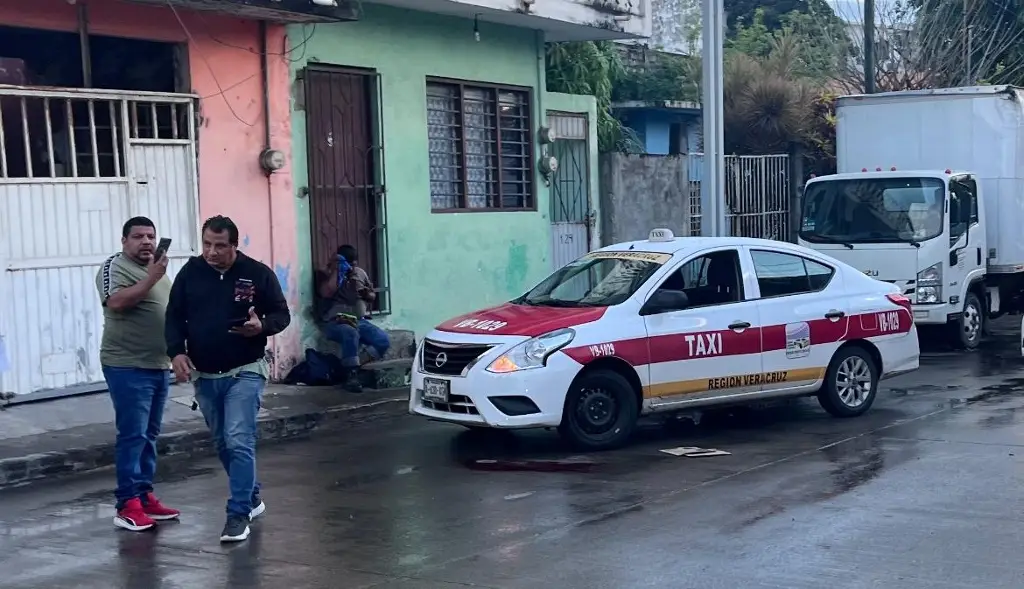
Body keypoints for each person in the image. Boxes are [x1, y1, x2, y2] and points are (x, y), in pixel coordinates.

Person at [165, 215, 290, 543]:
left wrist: (261, 326)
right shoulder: (191, 273)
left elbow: (281, 314)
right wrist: (176, 352)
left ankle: (237, 514)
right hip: (205, 374)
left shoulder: (257, 273)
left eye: (220, 246)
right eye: (207, 244)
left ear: (234, 245)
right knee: (222, 442)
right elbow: (174, 316)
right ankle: (251, 496)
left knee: (238, 439)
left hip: (245, 370)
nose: (211, 252)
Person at [97, 216, 180, 532]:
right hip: (127, 365)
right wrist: (151, 277)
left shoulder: (157, 271)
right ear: (124, 241)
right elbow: (117, 302)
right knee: (132, 435)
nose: (146, 241)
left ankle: (144, 496)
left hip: (157, 365)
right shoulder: (114, 267)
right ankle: (127, 504)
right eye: (138, 236)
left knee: (149, 435)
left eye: (151, 236)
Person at [317, 244, 390, 393]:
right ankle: (351, 375)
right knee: (350, 333)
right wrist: (337, 270)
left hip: (358, 320)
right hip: (336, 321)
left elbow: (372, 295)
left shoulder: (359, 274)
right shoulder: (327, 273)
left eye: (352, 263)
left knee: (382, 340)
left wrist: (366, 294)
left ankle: (353, 368)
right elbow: (327, 292)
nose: (351, 266)